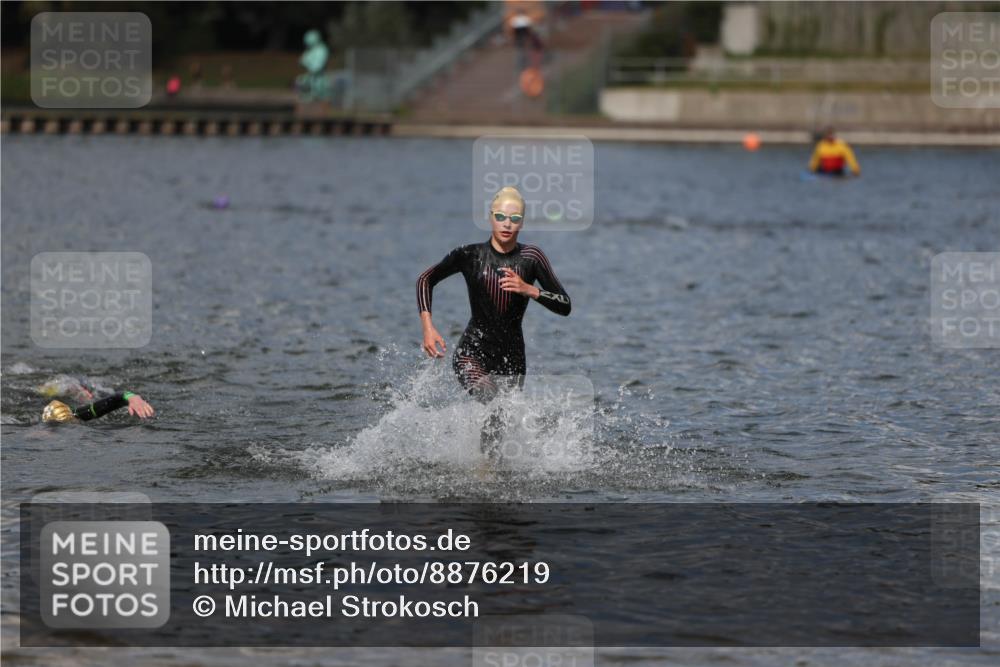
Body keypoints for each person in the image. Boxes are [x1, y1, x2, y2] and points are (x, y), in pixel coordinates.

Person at [416, 186, 571, 462]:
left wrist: (530, 290)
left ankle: (487, 473)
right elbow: (425, 280)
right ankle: (484, 475)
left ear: (522, 222)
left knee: (499, 421)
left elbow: (565, 304)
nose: (507, 224)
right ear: (490, 218)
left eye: (514, 218)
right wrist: (428, 327)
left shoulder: (532, 258)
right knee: (493, 399)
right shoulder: (470, 255)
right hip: (472, 352)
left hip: (512, 357)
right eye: (500, 217)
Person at [39, 378, 155, 423]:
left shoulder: (80, 413)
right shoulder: (76, 416)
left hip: (74, 387)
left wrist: (132, 397)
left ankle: (76, 387)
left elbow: (116, 397)